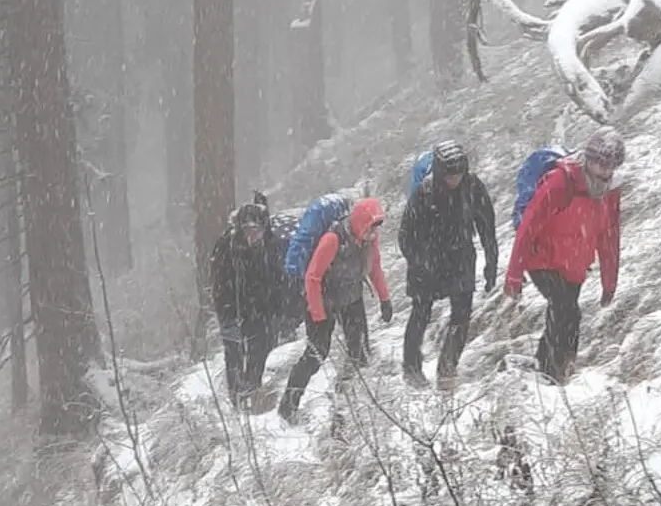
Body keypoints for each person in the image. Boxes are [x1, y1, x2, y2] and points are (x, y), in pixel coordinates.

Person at [503, 126, 626, 385]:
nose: (605, 170)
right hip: (543, 258)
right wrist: (514, 274)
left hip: (575, 264)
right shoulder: (562, 181)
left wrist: (609, 281)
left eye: (611, 164)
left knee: (563, 315)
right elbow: (528, 226)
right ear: (589, 158)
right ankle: (556, 371)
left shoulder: (609, 192)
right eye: (600, 163)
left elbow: (609, 237)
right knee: (567, 311)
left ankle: (549, 366)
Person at [278, 197, 393, 421]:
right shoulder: (333, 239)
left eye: (375, 230)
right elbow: (312, 277)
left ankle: (351, 403)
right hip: (322, 299)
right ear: (360, 223)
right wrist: (319, 314)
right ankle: (288, 406)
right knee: (315, 354)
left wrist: (385, 299)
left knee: (360, 352)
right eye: (370, 229)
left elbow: (374, 268)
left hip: (351, 298)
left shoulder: (370, 240)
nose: (373, 235)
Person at [398, 141, 498, 387]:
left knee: (462, 315)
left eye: (459, 174)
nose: (455, 179)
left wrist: (491, 263)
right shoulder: (424, 192)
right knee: (420, 314)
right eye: (450, 175)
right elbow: (405, 236)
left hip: (461, 257)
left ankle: (448, 367)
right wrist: (421, 263)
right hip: (427, 260)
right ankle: (411, 368)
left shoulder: (473, 187)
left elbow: (487, 227)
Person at [210, 195, 305, 409]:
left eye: (257, 231)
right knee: (233, 355)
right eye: (248, 231)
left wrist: (284, 313)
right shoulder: (227, 248)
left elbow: (281, 280)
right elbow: (220, 287)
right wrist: (227, 319)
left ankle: (252, 394)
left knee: (259, 352)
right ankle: (236, 400)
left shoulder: (272, 246)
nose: (253, 237)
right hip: (234, 308)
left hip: (263, 310)